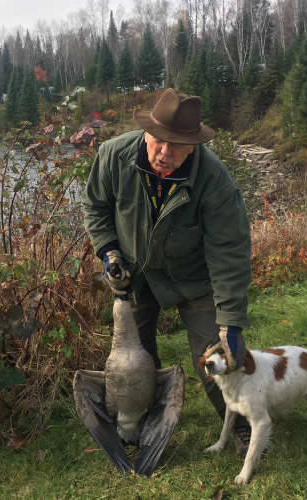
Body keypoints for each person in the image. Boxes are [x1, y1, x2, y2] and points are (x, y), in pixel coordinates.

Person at [82, 88, 253, 455]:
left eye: (176, 145)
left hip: (195, 277)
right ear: (146, 132)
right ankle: (145, 422)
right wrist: (110, 254)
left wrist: (231, 321)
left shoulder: (214, 179)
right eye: (158, 141)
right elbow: (96, 207)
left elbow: (229, 250)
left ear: (193, 144)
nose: (163, 152)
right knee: (136, 361)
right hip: (134, 275)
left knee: (215, 355)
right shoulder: (113, 156)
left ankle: (240, 424)